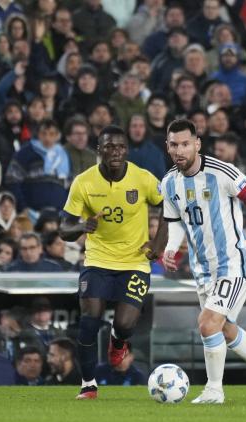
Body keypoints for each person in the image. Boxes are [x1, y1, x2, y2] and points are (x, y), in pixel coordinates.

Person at [161, 119, 246, 404]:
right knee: (223, 329)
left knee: (207, 323)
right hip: (203, 270)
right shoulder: (168, 182)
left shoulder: (222, 171)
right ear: (167, 146)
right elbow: (175, 220)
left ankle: (215, 389)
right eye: (174, 145)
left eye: (185, 144)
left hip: (232, 263)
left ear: (197, 144)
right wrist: (171, 247)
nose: (180, 150)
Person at [59, 125, 167, 400]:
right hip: (98, 260)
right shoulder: (84, 182)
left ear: (126, 150)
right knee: (89, 321)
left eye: (120, 147)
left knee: (126, 324)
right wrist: (84, 225)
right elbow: (64, 228)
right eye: (109, 146)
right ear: (99, 150)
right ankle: (88, 384)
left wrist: (157, 245)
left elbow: (170, 205)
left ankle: (118, 342)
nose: (115, 152)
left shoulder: (142, 179)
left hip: (135, 262)